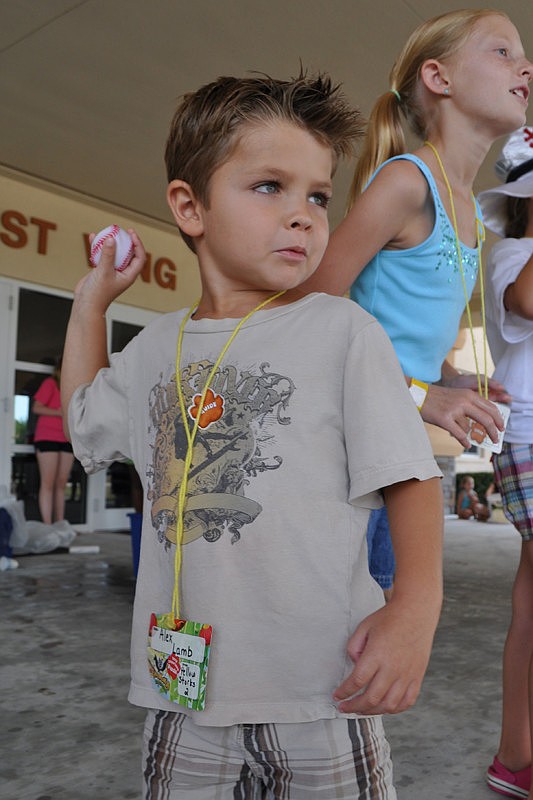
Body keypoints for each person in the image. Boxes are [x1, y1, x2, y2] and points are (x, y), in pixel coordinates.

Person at [61, 72, 444, 798]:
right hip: (180, 693)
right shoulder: (153, 348)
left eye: (318, 195)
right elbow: (84, 415)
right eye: (269, 186)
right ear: (189, 206)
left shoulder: (341, 332)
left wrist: (415, 607)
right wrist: (92, 301)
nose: (302, 215)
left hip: (324, 691)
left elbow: (410, 476)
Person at [301, 8, 531, 596]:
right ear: (439, 77)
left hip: (392, 453)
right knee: (339, 634)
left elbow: (401, 329)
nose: (525, 66)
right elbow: (309, 315)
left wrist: (455, 377)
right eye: (502, 51)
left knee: (372, 621)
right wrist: (425, 396)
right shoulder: (407, 182)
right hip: (347, 455)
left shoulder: (473, 218)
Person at [478, 125, 533, 799]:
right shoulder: (511, 253)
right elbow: (525, 302)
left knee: (529, 605)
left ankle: (514, 757)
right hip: (528, 436)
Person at [32, 359, 74, 524]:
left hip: (66, 437)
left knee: (62, 483)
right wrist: (59, 413)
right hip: (47, 437)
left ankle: (60, 523)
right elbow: (37, 407)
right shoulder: (50, 383)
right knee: (48, 482)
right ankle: (48, 525)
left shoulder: (71, 386)